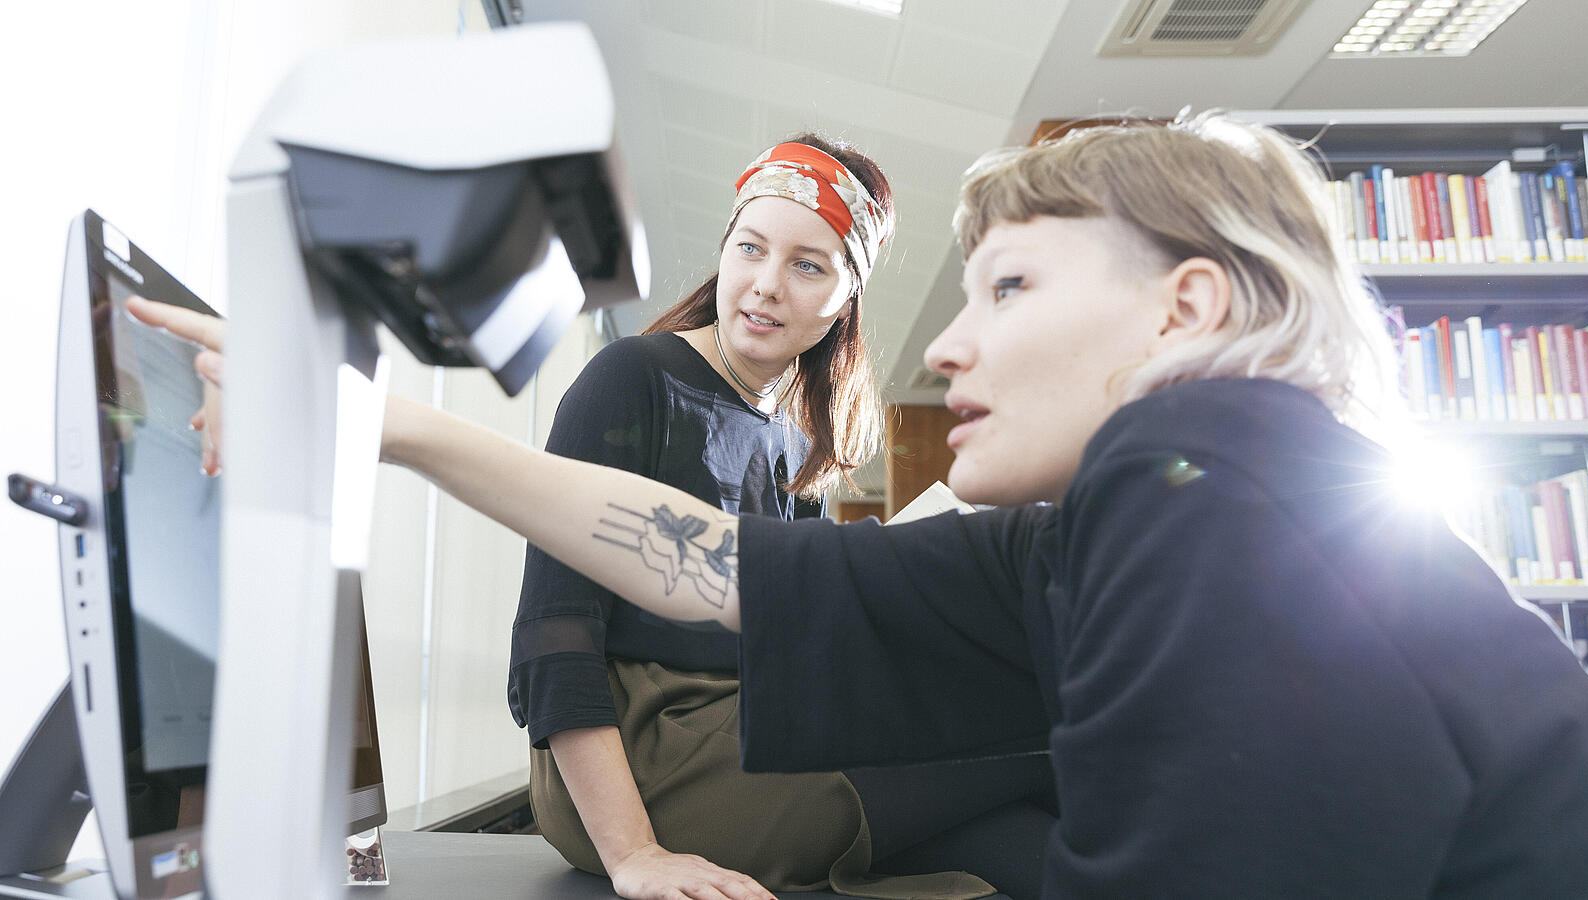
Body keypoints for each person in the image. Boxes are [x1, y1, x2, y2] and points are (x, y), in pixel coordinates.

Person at [134, 111, 1588, 897]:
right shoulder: (1138, 516)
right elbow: (712, 569)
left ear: (1185, 307)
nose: (949, 347)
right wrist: (381, 424)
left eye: (1010, 289)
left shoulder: (1204, 494)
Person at [132, 135, 1056, 900]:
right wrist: (633, 854)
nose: (767, 283)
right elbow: (555, 631)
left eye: (807, 264)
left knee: (1029, 840)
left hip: (754, 736)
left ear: (843, 299)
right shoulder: (637, 380)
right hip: (647, 766)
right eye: (751, 247)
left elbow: (795, 629)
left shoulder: (792, 446)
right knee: (1038, 741)